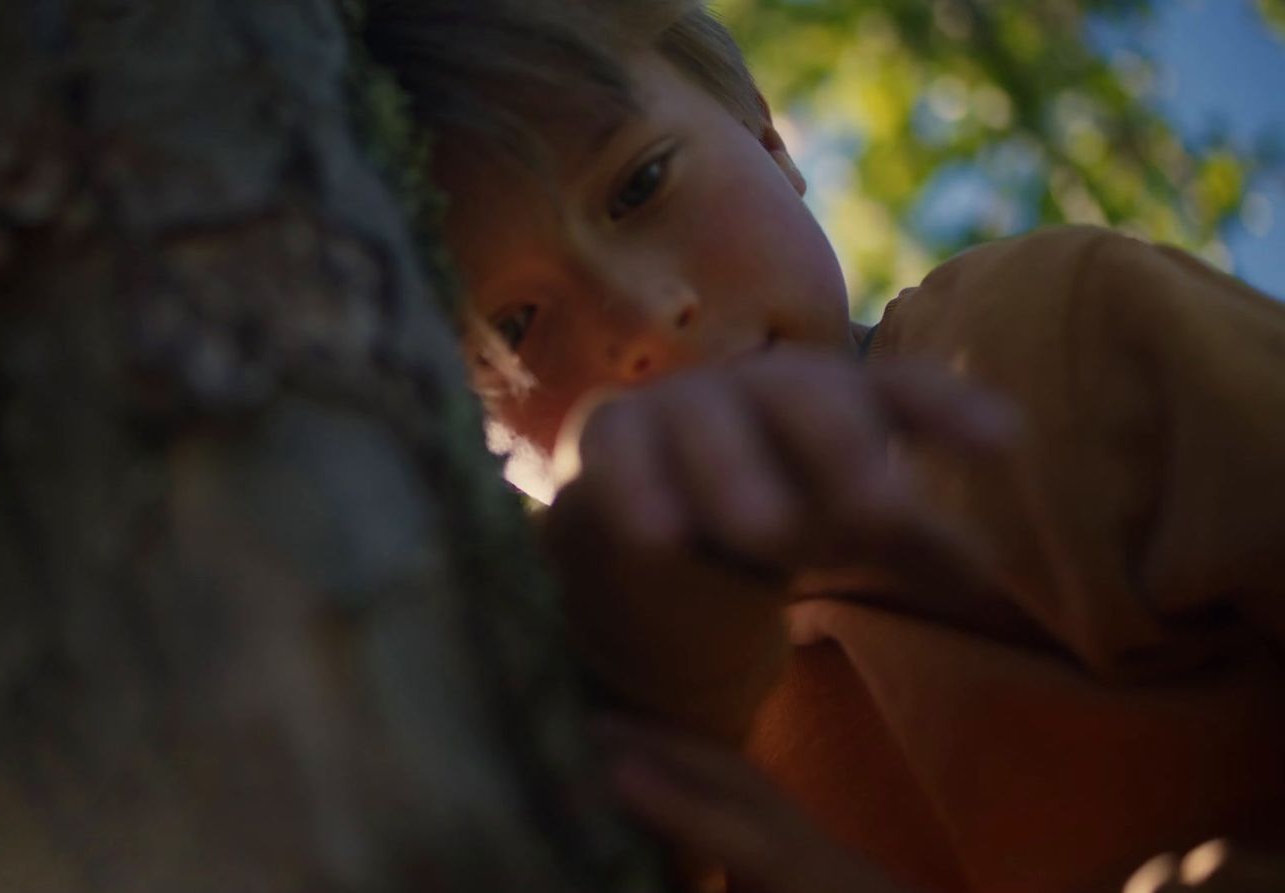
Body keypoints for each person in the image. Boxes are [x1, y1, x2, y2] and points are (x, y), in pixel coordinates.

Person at [362, 2, 1285, 891]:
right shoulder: (553, 717)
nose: (643, 316)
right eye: (514, 326)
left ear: (767, 138)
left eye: (639, 185)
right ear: (456, 437)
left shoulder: (1052, 345)